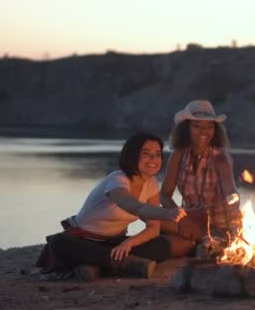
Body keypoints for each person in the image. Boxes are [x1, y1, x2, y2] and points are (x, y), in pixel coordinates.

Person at [36, 132, 186, 281]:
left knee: (161, 244)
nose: (153, 159)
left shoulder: (151, 184)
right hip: (84, 240)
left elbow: (153, 229)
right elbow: (134, 207)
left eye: (158, 154)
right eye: (146, 153)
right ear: (132, 155)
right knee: (59, 242)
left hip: (115, 243)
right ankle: (126, 263)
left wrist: (129, 242)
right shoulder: (117, 180)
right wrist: (165, 214)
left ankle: (95, 266)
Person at [160, 100, 241, 257]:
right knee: (154, 219)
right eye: (197, 126)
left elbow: (231, 192)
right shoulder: (178, 155)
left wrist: (236, 215)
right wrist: (181, 218)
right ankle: (197, 241)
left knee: (172, 245)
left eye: (209, 126)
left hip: (217, 226)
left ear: (215, 130)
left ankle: (207, 243)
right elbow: (164, 195)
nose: (204, 131)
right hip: (190, 221)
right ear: (187, 128)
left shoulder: (220, 158)